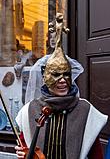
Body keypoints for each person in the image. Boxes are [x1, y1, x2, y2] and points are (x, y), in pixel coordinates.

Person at [15, 13, 108, 159]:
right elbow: (25, 149)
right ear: (45, 77)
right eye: (56, 75)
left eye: (66, 74)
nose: (63, 80)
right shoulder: (29, 111)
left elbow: (97, 156)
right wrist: (23, 154)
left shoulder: (86, 111)